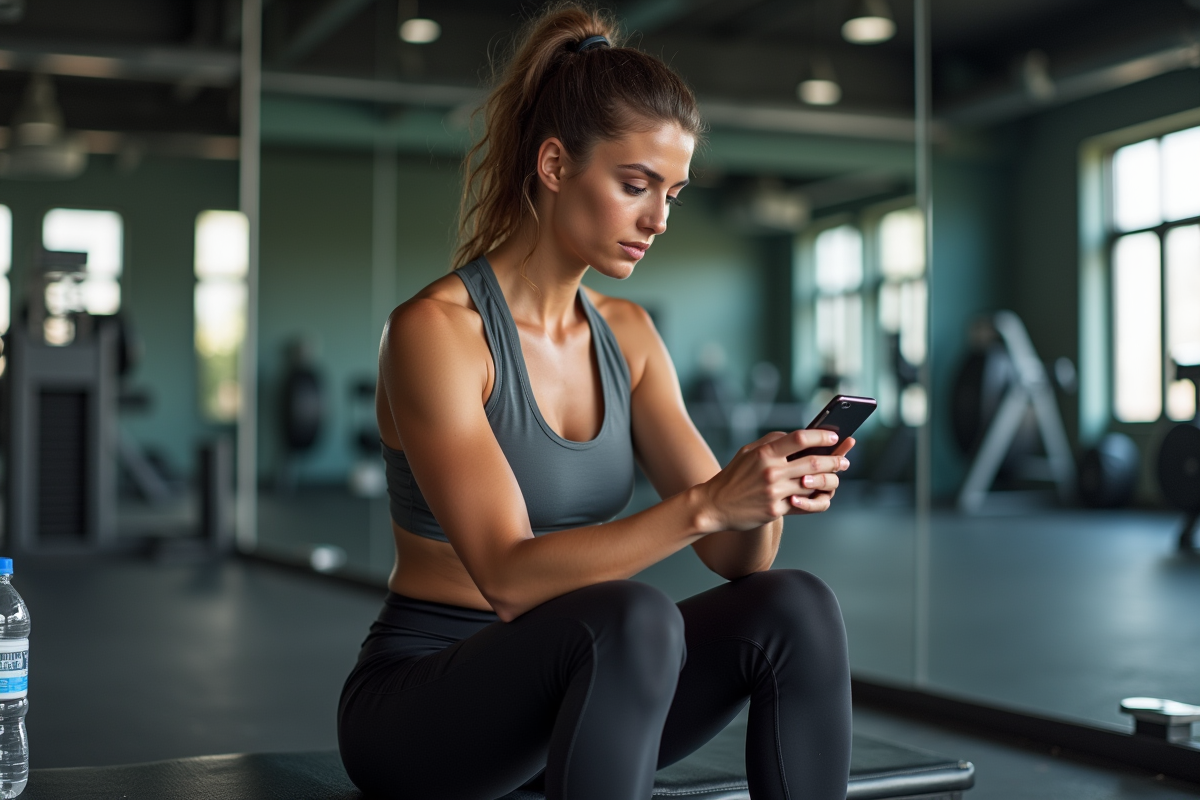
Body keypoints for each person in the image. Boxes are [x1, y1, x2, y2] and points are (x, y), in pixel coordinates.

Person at [337, 5, 856, 799]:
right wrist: (706, 506)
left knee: (796, 606)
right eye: (635, 185)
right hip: (426, 707)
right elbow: (507, 578)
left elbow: (736, 558)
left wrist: (764, 496)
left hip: (595, 684)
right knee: (633, 614)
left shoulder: (630, 335)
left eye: (673, 194)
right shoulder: (436, 331)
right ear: (553, 165)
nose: (659, 220)